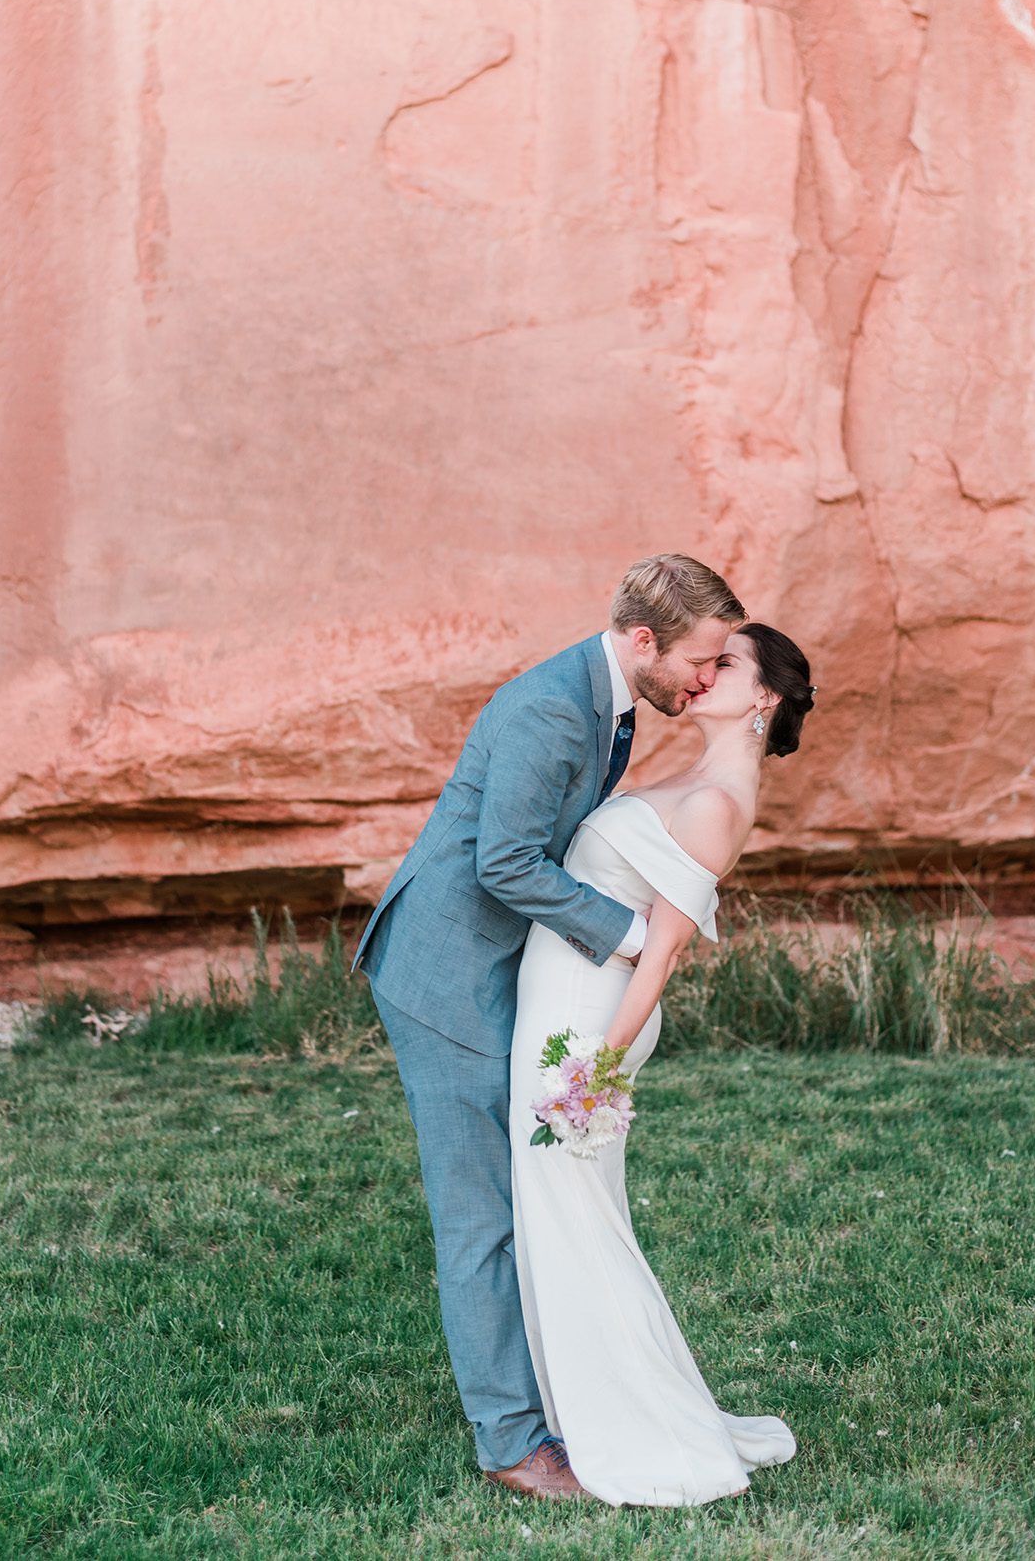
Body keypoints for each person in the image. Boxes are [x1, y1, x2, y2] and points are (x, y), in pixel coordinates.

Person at [352, 553, 746, 1498]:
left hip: (503, 975)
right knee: (480, 1216)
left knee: (521, 1194)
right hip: (444, 976)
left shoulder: (611, 700)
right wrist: (633, 936)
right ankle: (511, 1445)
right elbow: (509, 865)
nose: (706, 677)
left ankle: (558, 1403)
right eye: (702, 658)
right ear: (645, 640)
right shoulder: (554, 708)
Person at [509, 621, 815, 1505]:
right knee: (569, 1214)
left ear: (763, 698)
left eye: (728, 665)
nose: (705, 672)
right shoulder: (692, 779)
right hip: (564, 999)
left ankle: (634, 1428)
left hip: (586, 1021)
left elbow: (665, 954)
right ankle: (585, 1404)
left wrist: (593, 1074)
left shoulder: (717, 803)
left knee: (575, 1219)